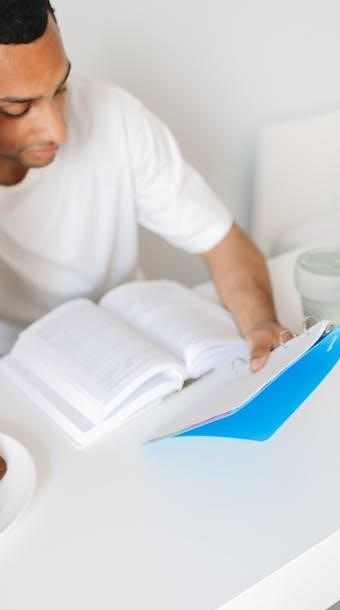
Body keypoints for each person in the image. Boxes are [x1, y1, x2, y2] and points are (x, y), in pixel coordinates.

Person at [0, 1, 287, 369]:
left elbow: (223, 243)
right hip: (14, 361)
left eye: (60, 88)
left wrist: (261, 325)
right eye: (16, 108)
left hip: (127, 345)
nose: (58, 130)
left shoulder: (116, 117)